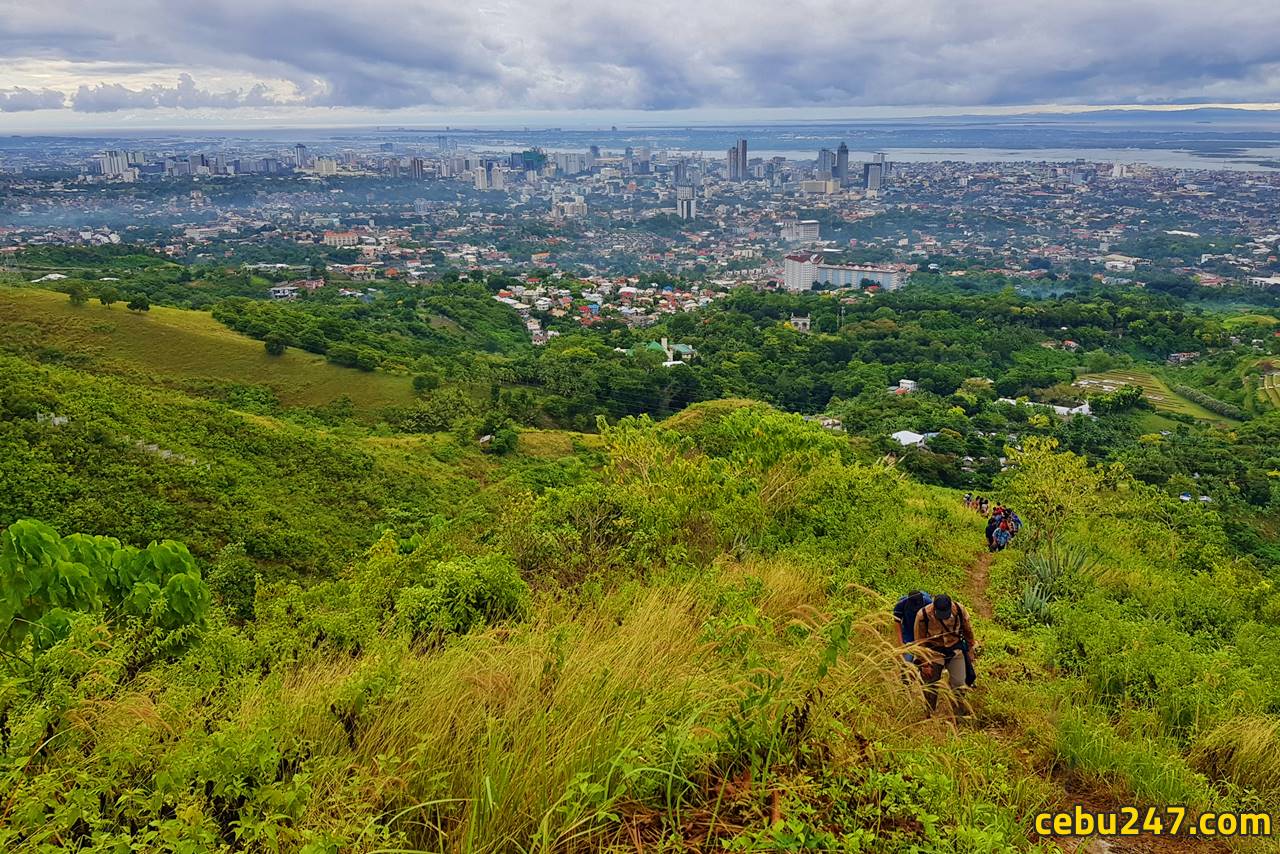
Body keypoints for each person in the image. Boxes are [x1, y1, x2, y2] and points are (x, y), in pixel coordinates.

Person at [913, 593, 977, 715]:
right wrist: (924, 663)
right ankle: (929, 713)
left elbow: (968, 631)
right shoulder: (923, 615)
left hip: (954, 649)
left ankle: (958, 714)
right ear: (934, 608)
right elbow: (919, 641)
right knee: (930, 683)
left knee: (959, 683)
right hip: (933, 651)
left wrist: (970, 650)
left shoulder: (959, 610)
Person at [892, 590, 933, 664]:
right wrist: (901, 644)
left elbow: (934, 622)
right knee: (906, 662)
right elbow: (897, 623)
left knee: (925, 662)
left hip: (924, 635)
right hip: (908, 635)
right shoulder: (901, 604)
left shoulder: (928, 603)